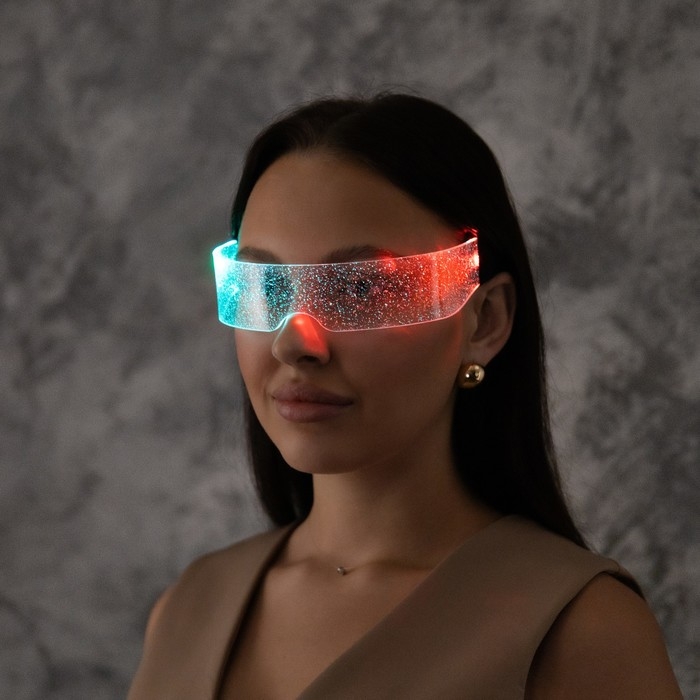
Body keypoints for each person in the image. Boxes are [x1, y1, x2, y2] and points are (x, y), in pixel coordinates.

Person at [128, 94, 681, 699]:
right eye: (265, 286)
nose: (295, 343)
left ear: (485, 320)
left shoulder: (581, 631)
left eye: (361, 290)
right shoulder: (187, 609)